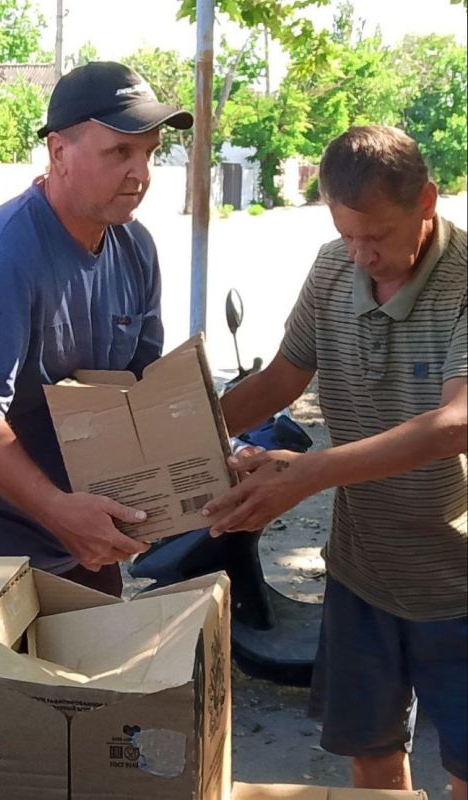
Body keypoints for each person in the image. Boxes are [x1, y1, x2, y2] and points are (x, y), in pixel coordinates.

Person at [203, 126, 467, 797]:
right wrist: (183, 437)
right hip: (362, 574)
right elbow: (278, 383)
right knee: (371, 764)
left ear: (427, 201)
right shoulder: (331, 268)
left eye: (375, 235)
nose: (361, 253)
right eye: (346, 234)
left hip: (457, 586)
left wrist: (309, 473)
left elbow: (454, 424)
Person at [0, 61, 192, 596]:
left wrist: (206, 465)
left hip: (88, 531)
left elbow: (143, 396)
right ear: (59, 153)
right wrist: (60, 512)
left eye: (149, 152)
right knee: (15, 683)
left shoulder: (136, 248)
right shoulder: (6, 252)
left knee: (98, 679)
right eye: (120, 152)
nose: (140, 173)